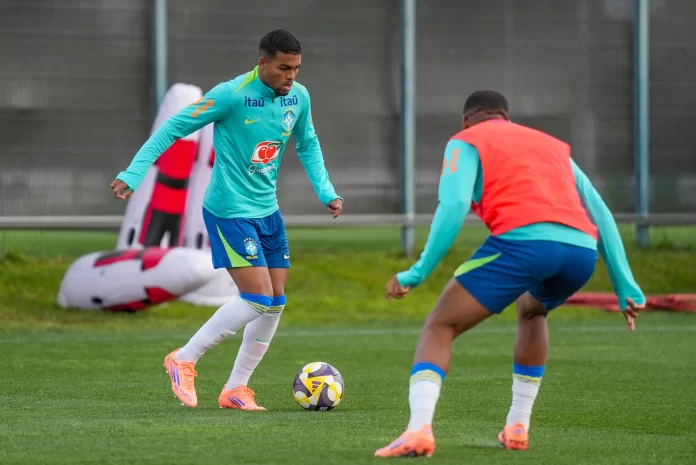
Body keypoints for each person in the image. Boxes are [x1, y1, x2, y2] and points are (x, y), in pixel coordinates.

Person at [375, 90, 645, 457]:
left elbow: (453, 204)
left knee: (439, 326)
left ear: (466, 121)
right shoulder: (551, 145)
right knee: (532, 310)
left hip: (526, 245)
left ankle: (418, 430)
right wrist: (626, 286)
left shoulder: (466, 140)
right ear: (507, 118)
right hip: (581, 250)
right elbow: (599, 211)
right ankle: (518, 426)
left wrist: (417, 271)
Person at [110, 29, 343, 411]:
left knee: (275, 301)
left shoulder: (298, 97)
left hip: (267, 211)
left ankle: (236, 388)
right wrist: (134, 173)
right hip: (229, 211)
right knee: (257, 298)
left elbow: (308, 143)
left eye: (296, 69)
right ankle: (183, 358)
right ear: (262, 62)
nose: (291, 76)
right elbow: (173, 128)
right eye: (284, 68)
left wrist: (326, 190)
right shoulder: (231, 95)